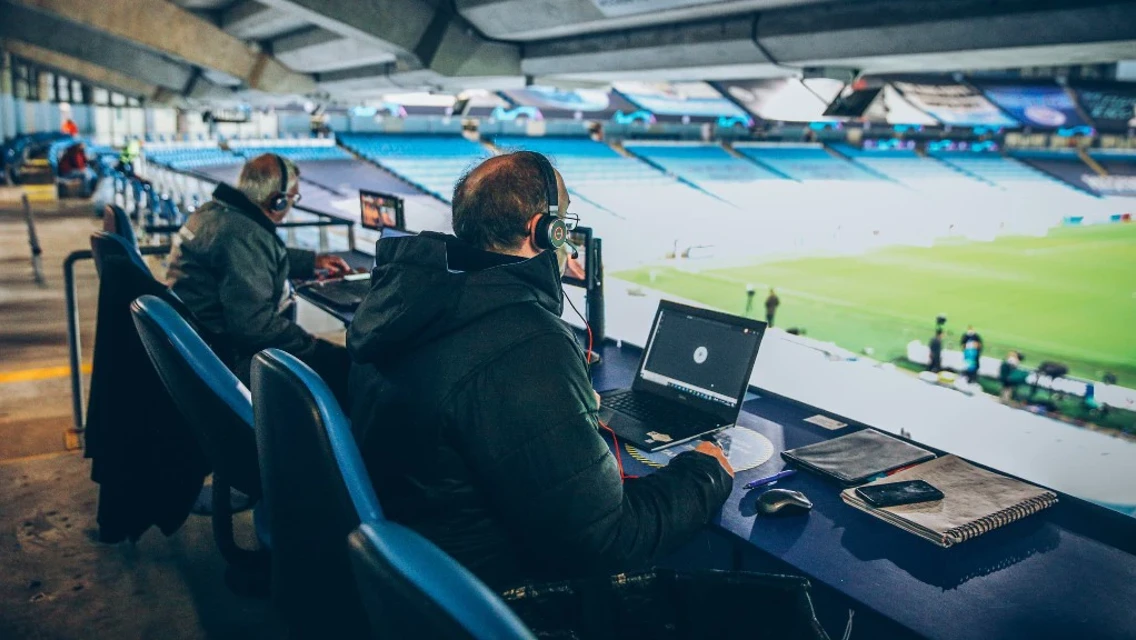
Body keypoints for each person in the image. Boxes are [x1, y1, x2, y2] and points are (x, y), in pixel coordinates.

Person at [347, 151, 734, 590]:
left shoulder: (408, 303)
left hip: (422, 576)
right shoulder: (528, 345)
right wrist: (704, 473)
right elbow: (608, 538)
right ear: (544, 231)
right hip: (498, 597)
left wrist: (553, 389)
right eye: (564, 222)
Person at [167, 153, 352, 396]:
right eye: (293, 198)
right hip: (228, 359)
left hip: (199, 343)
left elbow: (251, 254)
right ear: (277, 201)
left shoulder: (216, 212)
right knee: (345, 367)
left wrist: (310, 262)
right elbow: (255, 328)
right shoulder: (242, 235)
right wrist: (314, 346)